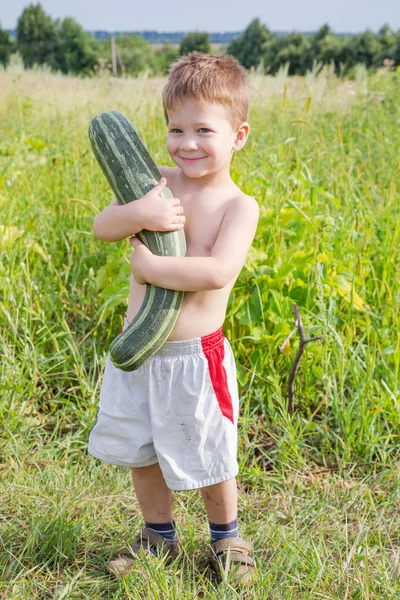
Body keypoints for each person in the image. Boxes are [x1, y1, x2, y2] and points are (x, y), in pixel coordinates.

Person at [88, 52, 260, 585]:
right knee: (142, 451)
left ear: (238, 135)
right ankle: (156, 536)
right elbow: (102, 226)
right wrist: (140, 214)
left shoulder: (239, 206)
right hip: (139, 352)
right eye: (175, 128)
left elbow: (216, 271)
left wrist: (154, 266)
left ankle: (226, 536)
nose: (186, 143)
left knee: (210, 453)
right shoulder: (156, 184)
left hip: (194, 358)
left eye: (203, 130)